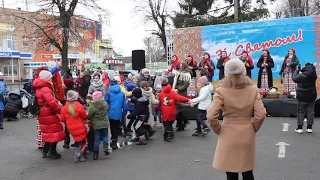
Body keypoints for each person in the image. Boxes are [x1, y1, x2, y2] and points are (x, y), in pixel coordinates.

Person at [207, 59, 266, 180]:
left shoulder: (221, 90)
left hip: (227, 133)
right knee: (248, 172)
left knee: (231, 174)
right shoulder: (253, 89)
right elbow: (261, 114)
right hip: (247, 132)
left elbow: (211, 115)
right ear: (244, 71)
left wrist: (219, 130)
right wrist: (253, 127)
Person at [33, 70, 65, 159]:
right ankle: (52, 151)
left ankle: (45, 151)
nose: (52, 80)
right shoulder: (46, 89)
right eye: (50, 78)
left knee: (48, 132)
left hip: (43, 112)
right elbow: (52, 103)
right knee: (55, 131)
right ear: (47, 79)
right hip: (48, 113)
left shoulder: (39, 87)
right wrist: (60, 110)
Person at [60, 90, 88, 163]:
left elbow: (62, 118)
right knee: (84, 142)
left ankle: (82, 153)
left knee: (79, 141)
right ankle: (78, 155)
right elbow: (84, 117)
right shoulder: (79, 106)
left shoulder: (65, 107)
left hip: (71, 128)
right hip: (80, 126)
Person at [292, 62, 317, 133]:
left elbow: (294, 79)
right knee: (310, 112)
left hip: (302, 96)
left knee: (301, 112)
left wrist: (297, 70)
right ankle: (309, 128)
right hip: (312, 95)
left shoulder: (302, 75)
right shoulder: (314, 75)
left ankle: (299, 128)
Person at [104, 80, 127, 150]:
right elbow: (124, 104)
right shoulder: (122, 93)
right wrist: (124, 112)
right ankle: (114, 139)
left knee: (112, 126)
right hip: (118, 112)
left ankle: (113, 139)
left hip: (110, 112)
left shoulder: (108, 93)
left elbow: (105, 102)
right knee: (117, 126)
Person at [88, 91, 110, 160]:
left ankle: (95, 154)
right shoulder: (105, 104)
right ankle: (105, 149)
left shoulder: (92, 106)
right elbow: (107, 110)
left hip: (96, 124)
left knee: (96, 139)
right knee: (105, 136)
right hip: (105, 123)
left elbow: (89, 116)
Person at [173, 62, 192, 131]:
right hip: (177, 92)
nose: (180, 67)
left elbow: (186, 84)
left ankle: (182, 124)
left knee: (178, 109)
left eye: (181, 66)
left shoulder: (187, 74)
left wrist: (178, 89)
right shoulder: (180, 73)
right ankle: (182, 122)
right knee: (178, 109)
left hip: (181, 93)